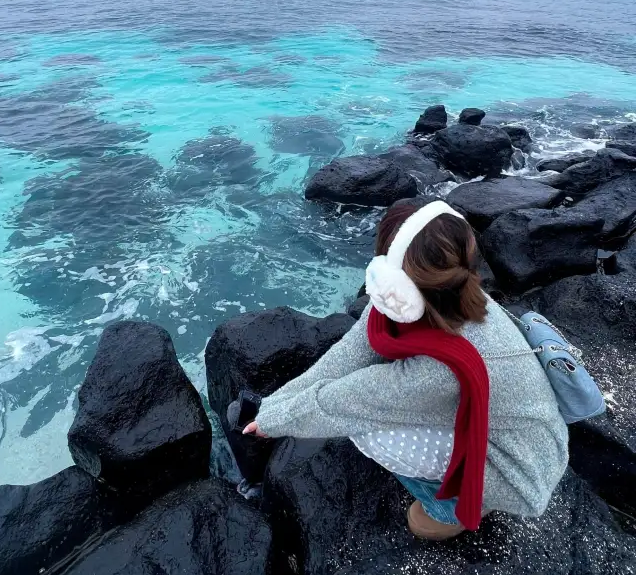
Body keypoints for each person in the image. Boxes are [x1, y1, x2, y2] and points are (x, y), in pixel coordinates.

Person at [244, 199, 569, 540]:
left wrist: (271, 422)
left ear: (393, 278)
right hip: (525, 428)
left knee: (368, 430)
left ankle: (449, 507)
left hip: (520, 473)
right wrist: (271, 404)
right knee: (367, 407)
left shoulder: (438, 373)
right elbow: (348, 355)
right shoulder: (451, 295)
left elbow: (341, 402)